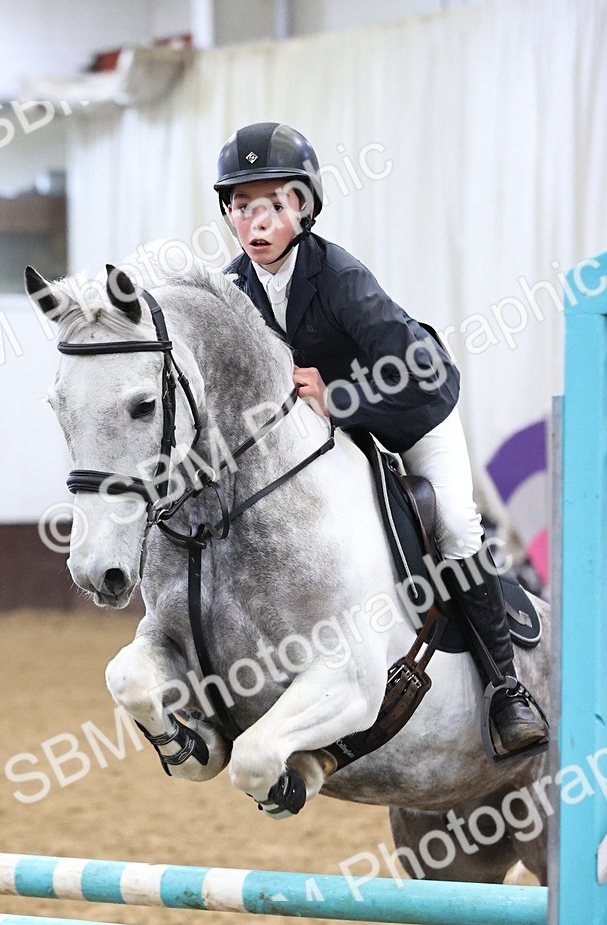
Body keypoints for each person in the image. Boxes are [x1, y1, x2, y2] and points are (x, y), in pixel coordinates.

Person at [214, 121, 547, 756]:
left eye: (272, 206)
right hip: (329, 433)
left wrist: (337, 398)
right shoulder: (235, 290)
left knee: (453, 524)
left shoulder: (340, 278)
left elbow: (421, 375)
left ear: (303, 207)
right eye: (240, 207)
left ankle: (507, 688)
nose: (255, 223)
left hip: (411, 413)